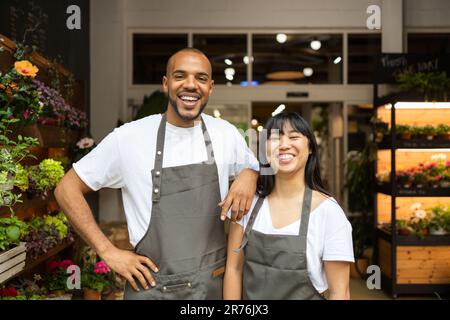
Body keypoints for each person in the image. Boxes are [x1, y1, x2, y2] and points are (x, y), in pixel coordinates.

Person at [55, 48, 259, 300]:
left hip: (211, 287)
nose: (191, 85)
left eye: (201, 78)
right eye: (180, 76)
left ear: (211, 87)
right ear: (166, 83)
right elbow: (66, 189)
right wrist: (107, 251)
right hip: (152, 288)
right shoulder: (129, 137)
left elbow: (253, 166)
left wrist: (250, 174)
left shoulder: (226, 134)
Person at [224, 112, 354, 300]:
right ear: (265, 151)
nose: (284, 145)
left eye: (294, 137)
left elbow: (339, 292)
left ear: (310, 148)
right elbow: (234, 269)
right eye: (275, 138)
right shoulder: (247, 204)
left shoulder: (329, 213)